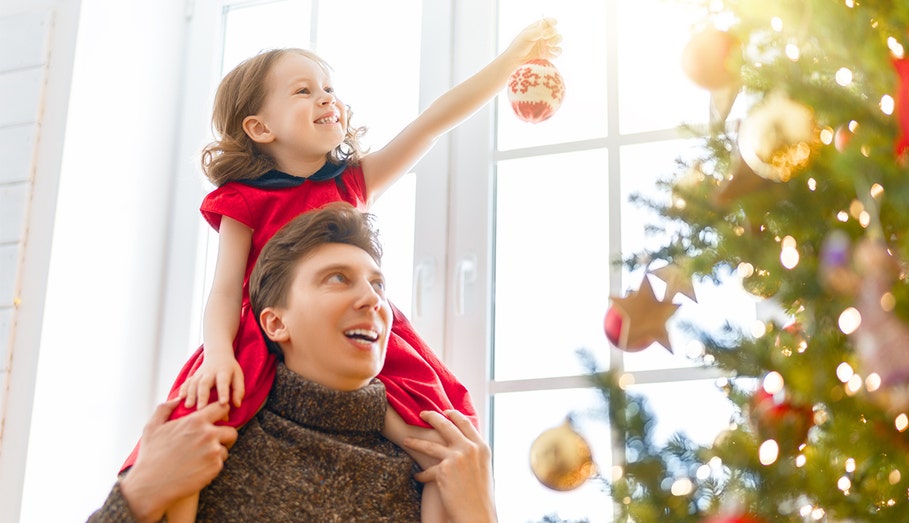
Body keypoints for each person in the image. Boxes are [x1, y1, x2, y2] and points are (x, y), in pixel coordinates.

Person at [116, 17, 560, 522]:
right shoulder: (244, 200)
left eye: (329, 88)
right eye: (304, 91)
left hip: (358, 334)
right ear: (260, 128)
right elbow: (223, 291)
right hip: (260, 333)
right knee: (200, 418)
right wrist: (219, 354)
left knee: (445, 438)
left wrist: (509, 63)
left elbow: (431, 125)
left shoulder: (352, 183)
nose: (327, 97)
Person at [90, 202, 497, 522]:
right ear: (275, 322)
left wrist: (481, 515)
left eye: (378, 284)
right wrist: (138, 495)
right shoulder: (205, 450)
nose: (374, 299)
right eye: (337, 278)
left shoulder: (443, 469)